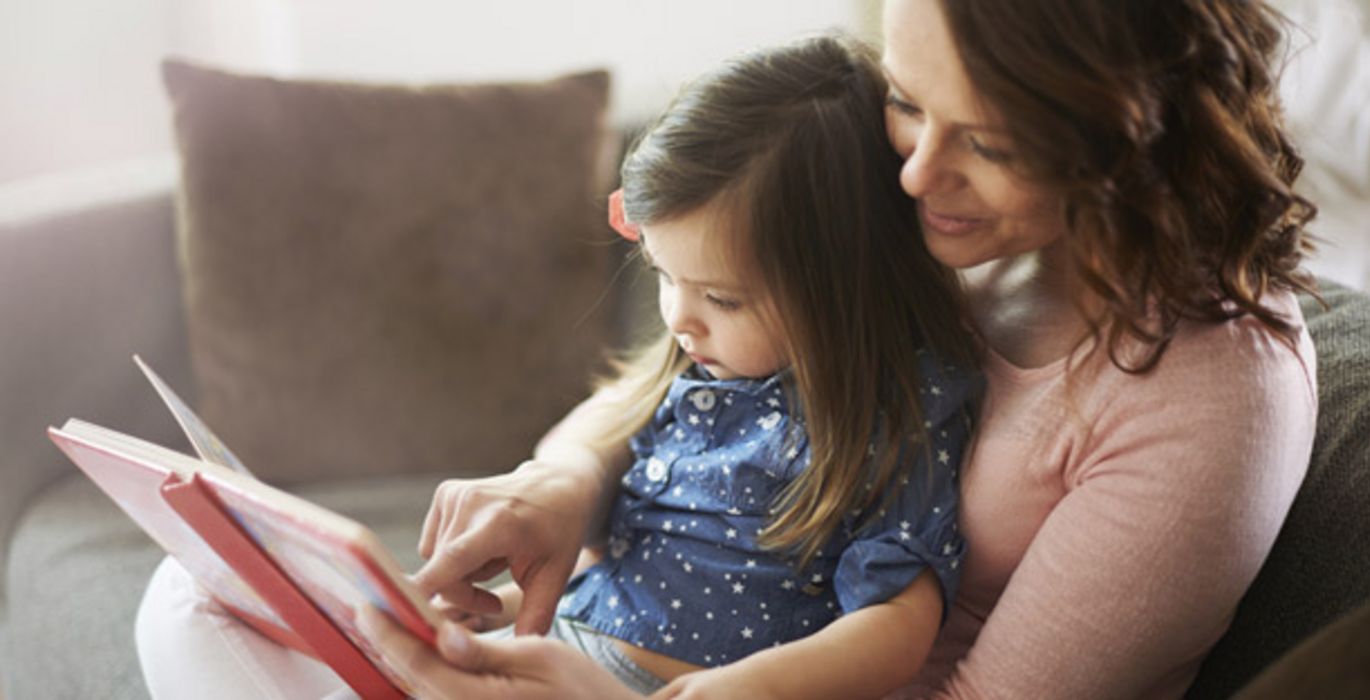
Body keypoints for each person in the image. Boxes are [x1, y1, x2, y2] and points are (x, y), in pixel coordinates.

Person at [365, 0, 1321, 698]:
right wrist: (562, 479)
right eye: (906, 101)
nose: (914, 170)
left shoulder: (1211, 392)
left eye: (988, 144)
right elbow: (673, 383)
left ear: (1131, 133)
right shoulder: (920, 224)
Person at [134, 34, 983, 699]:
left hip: (651, 687)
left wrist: (726, 693)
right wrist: (488, 616)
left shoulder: (893, 415)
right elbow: (614, 572)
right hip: (555, 657)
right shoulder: (696, 378)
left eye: (720, 298)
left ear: (845, 287)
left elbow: (894, 626)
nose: (679, 319)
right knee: (189, 591)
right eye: (662, 277)